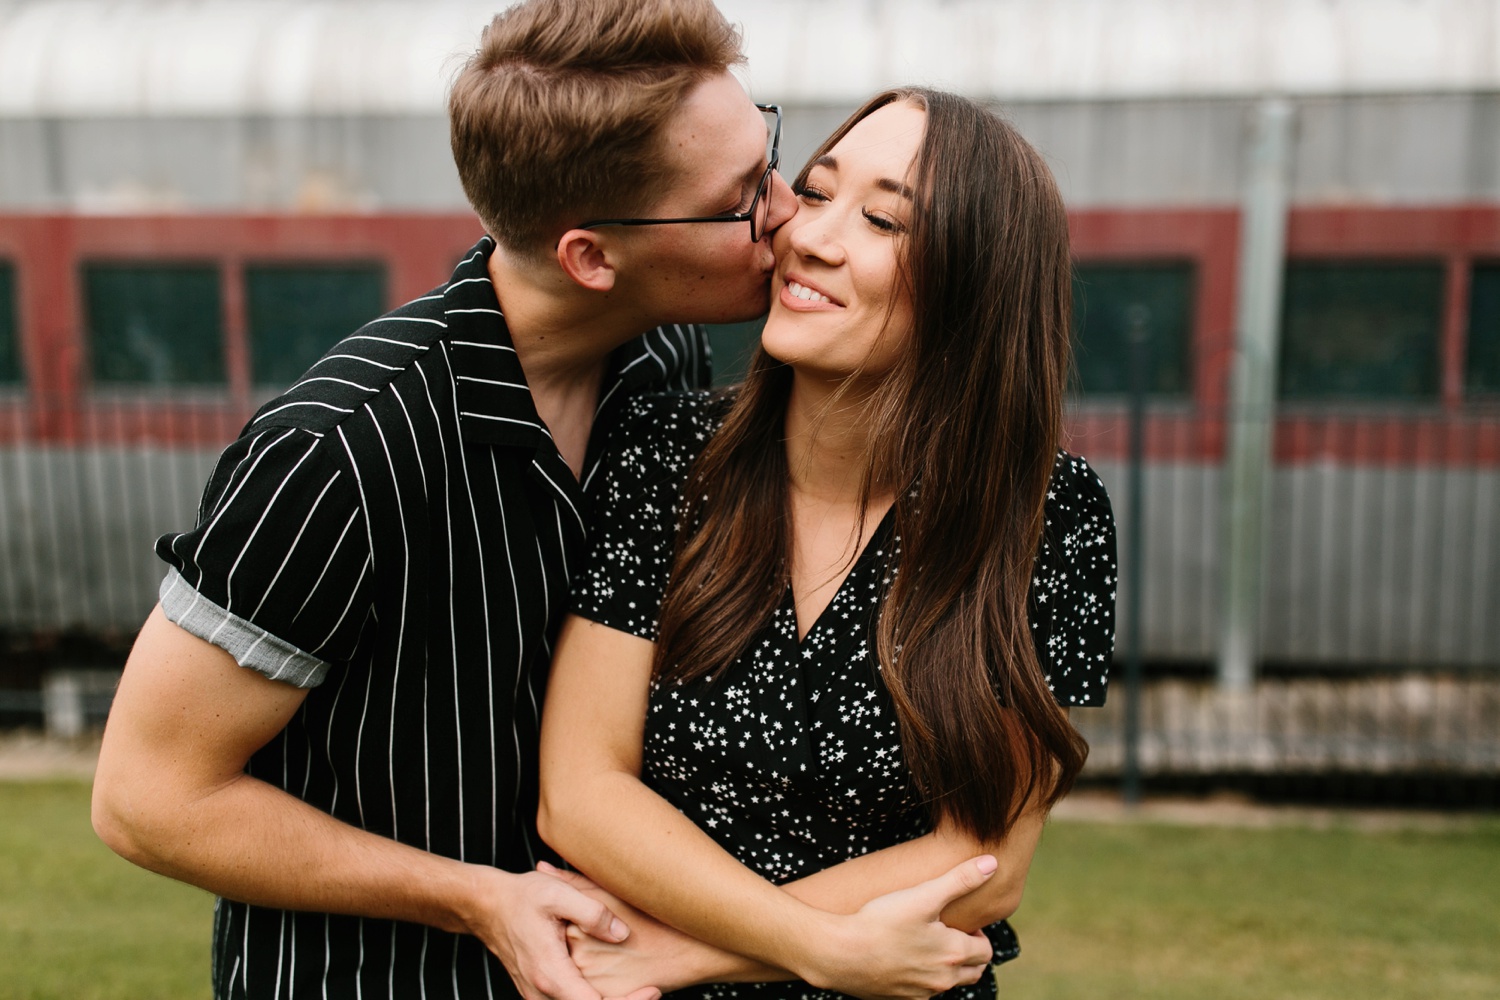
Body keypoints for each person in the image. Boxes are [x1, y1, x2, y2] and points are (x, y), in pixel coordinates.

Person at [89, 2, 795, 998]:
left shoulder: (661, 358)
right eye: (738, 200)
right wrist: (479, 897)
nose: (786, 205)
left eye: (771, 153)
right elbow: (146, 799)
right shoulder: (337, 449)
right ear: (591, 257)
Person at [536, 88, 1118, 1000]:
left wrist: (691, 953)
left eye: (883, 218)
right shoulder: (661, 456)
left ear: (976, 282)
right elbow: (580, 793)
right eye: (813, 191)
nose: (809, 236)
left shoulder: (1050, 515)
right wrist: (821, 947)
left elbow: (983, 863)